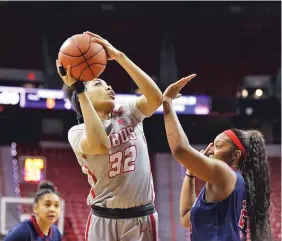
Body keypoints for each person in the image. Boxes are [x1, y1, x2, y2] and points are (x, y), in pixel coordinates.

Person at [57, 31, 162, 241]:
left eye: (108, 85)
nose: (108, 87)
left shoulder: (128, 113)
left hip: (140, 217)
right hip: (103, 219)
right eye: (99, 84)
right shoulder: (77, 132)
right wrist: (78, 89)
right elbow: (100, 145)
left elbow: (155, 98)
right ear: (83, 96)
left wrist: (121, 57)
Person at [162, 75, 273, 241]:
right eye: (213, 144)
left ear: (235, 156)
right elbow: (187, 219)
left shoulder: (226, 174)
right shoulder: (227, 182)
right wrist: (190, 173)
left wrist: (167, 104)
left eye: (219, 146)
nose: (211, 150)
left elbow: (180, 150)